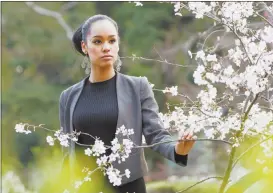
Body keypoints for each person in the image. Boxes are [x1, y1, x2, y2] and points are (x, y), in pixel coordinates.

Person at [59, 14, 196, 193]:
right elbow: (68, 152)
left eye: (112, 40)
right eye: (98, 41)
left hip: (127, 187)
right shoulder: (68, 97)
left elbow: (156, 135)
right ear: (85, 46)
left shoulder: (137, 87)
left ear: (118, 44)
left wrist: (177, 150)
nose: (106, 47)